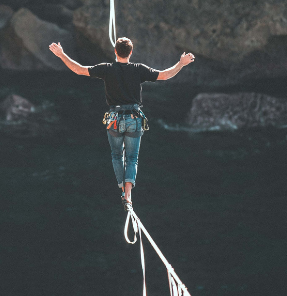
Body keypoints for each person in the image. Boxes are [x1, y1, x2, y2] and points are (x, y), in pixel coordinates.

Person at [48, 38, 194, 211]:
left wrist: (61, 54)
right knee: (132, 158)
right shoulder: (139, 69)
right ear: (131, 53)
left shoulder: (106, 69)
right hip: (134, 117)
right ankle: (128, 195)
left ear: (115, 51)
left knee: (117, 156)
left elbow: (78, 70)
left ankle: (121, 187)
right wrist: (181, 63)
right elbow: (164, 75)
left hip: (114, 118)